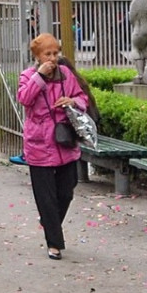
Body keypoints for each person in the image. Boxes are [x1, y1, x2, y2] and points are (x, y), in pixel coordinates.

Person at [17, 33, 91, 260]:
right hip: (39, 144)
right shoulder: (28, 76)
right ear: (38, 57)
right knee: (46, 197)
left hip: (64, 141)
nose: (52, 58)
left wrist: (73, 101)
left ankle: (49, 222)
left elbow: (82, 97)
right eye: (47, 54)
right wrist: (39, 77)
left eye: (55, 53)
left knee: (67, 190)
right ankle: (54, 244)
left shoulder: (65, 74)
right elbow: (24, 98)